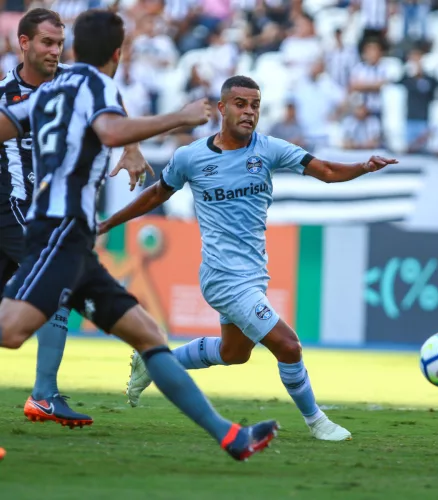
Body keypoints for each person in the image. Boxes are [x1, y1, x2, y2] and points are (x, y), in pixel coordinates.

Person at [0, 10, 278, 461]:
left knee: (149, 335)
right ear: (117, 54)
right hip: (58, 233)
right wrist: (177, 117)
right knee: (10, 332)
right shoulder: (96, 86)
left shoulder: (48, 92)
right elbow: (109, 130)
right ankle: (45, 393)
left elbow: (6, 124)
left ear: (73, 48)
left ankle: (232, 437)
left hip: (73, 240)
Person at [99, 75, 398, 441]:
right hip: (222, 277)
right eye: (240, 103)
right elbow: (156, 195)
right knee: (288, 346)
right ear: (222, 108)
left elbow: (327, 171)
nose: (249, 112)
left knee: (234, 352)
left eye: (255, 105)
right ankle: (317, 421)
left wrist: (363, 167)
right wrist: (109, 223)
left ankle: (156, 361)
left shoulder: (269, 149)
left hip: (253, 274)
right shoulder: (190, 157)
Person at [0, 8, 151, 428]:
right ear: (23, 43)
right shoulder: (3, 94)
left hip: (52, 212)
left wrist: (132, 148)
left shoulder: (76, 81)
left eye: (59, 43)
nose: (54, 51)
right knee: (61, 288)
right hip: (19, 210)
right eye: (46, 42)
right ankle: (45, 394)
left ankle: (46, 393)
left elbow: (110, 98)